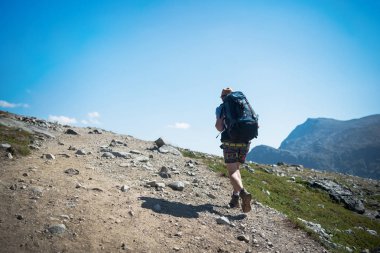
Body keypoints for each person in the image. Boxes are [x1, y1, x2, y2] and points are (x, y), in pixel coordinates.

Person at [215, 87, 252, 213]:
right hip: (245, 142)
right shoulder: (243, 104)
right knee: (236, 169)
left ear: (223, 97)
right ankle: (235, 198)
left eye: (221, 96)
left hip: (230, 141)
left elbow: (219, 127)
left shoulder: (221, 107)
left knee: (232, 172)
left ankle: (242, 193)